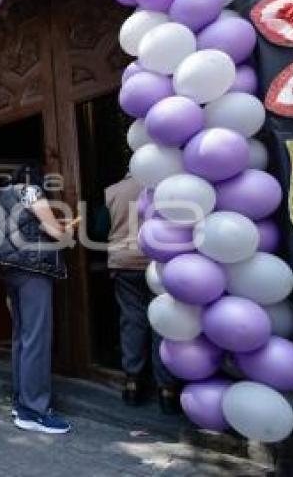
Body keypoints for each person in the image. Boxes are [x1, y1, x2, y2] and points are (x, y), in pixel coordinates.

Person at [0, 163, 78, 435]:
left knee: (22, 337)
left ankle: (22, 402)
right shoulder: (31, 191)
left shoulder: (4, 195)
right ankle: (34, 411)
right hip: (33, 269)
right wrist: (67, 232)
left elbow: (26, 226)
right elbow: (55, 232)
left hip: (12, 270)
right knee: (36, 337)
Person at [104, 174, 179, 414]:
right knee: (161, 322)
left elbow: (98, 226)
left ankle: (133, 382)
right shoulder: (161, 187)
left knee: (132, 320)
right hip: (157, 263)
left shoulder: (112, 190)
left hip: (123, 261)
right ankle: (167, 388)